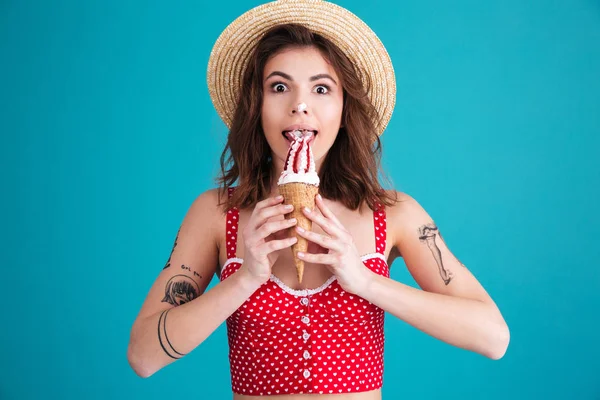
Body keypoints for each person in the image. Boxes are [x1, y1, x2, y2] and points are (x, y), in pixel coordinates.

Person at [127, 1, 510, 398]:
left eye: (322, 88)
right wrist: (245, 279)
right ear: (256, 108)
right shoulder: (216, 214)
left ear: (344, 110)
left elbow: (493, 337)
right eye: (279, 87)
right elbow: (143, 357)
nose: (300, 104)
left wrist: (364, 282)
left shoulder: (392, 214)